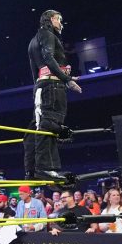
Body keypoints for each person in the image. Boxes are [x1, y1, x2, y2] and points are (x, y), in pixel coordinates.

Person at [23, 10, 82, 181]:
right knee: (48, 124)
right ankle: (45, 168)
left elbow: (35, 70)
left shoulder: (33, 41)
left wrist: (39, 87)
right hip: (52, 87)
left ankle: (31, 170)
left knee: (37, 126)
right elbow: (48, 58)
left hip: (42, 86)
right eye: (59, 20)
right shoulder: (48, 34)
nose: (61, 24)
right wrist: (66, 79)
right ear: (50, 19)